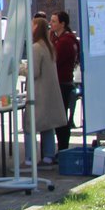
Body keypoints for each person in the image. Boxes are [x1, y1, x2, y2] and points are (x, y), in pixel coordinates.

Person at [22, 17, 66, 166]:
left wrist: (21, 69)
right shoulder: (49, 46)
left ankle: (29, 158)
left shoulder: (36, 48)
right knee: (47, 126)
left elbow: (33, 72)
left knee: (29, 125)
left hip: (38, 93)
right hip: (49, 92)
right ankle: (48, 155)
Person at [49, 10, 80, 152]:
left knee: (60, 119)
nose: (51, 24)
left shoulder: (65, 42)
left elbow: (55, 60)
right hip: (65, 81)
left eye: (54, 21)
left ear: (63, 23)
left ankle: (63, 148)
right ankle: (62, 148)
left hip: (62, 82)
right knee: (61, 118)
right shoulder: (67, 39)